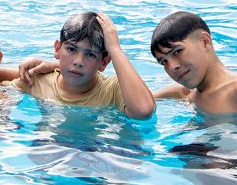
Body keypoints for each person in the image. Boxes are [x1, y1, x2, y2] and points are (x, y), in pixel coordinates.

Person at [15, 12, 156, 120]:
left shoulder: (112, 91)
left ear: (104, 62)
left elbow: (143, 111)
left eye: (90, 54)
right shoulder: (36, 81)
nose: (78, 61)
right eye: (71, 49)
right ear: (57, 49)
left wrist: (115, 49)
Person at [151, 11, 237, 114]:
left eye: (177, 52)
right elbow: (179, 91)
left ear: (205, 41)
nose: (172, 67)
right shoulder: (193, 93)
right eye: (164, 62)